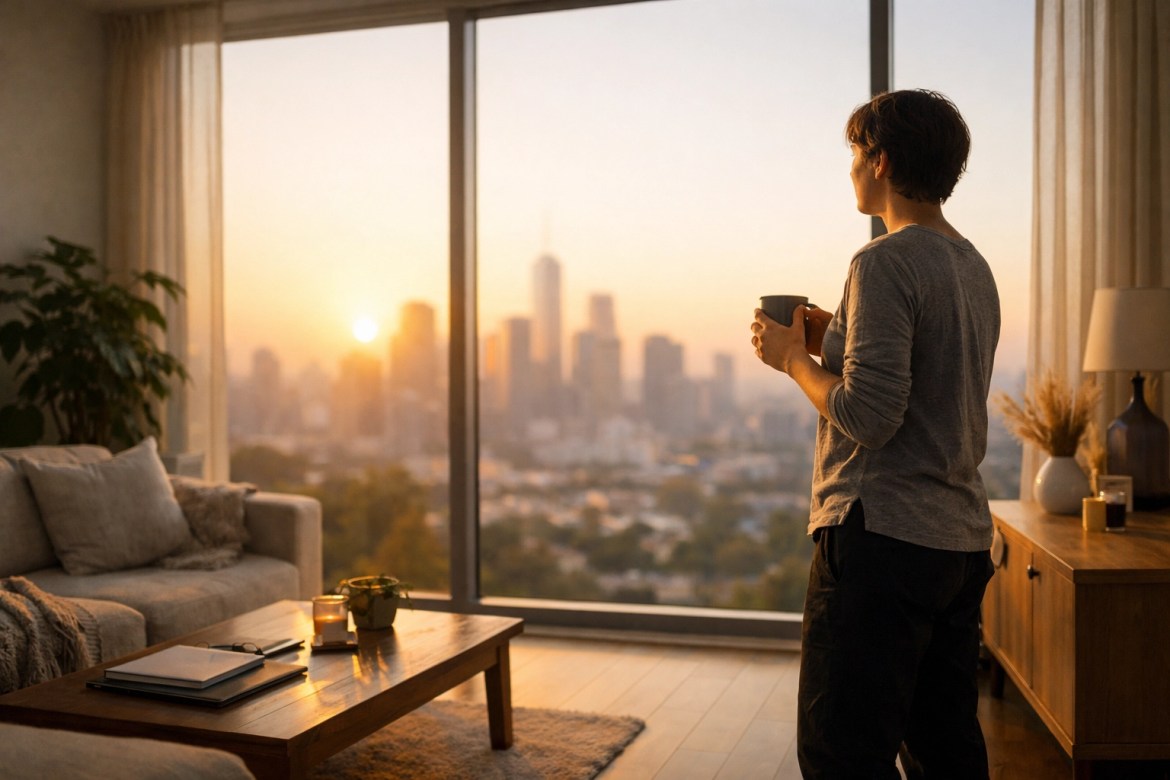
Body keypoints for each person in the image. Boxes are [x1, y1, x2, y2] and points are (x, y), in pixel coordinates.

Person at [750, 89, 1000, 779]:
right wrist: (839, 336)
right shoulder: (973, 267)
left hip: (880, 538)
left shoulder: (882, 262)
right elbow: (929, 383)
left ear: (882, 161)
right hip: (956, 542)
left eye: (856, 154)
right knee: (943, 748)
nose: (852, 169)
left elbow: (870, 414)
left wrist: (794, 360)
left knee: (841, 752)